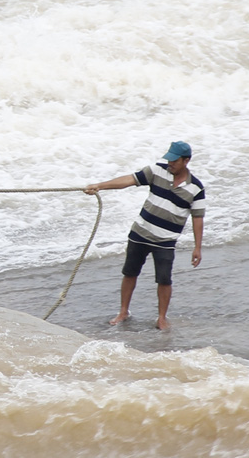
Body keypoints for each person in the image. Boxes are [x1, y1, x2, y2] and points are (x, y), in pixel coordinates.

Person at [83, 141, 205, 331]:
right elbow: (128, 180)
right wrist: (100, 186)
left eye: (174, 160)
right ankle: (123, 311)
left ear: (186, 160)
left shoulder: (196, 188)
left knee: (164, 280)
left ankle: (162, 318)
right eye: (169, 159)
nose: (170, 163)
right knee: (130, 273)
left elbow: (198, 218)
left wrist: (197, 247)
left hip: (165, 241)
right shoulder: (157, 171)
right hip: (140, 232)